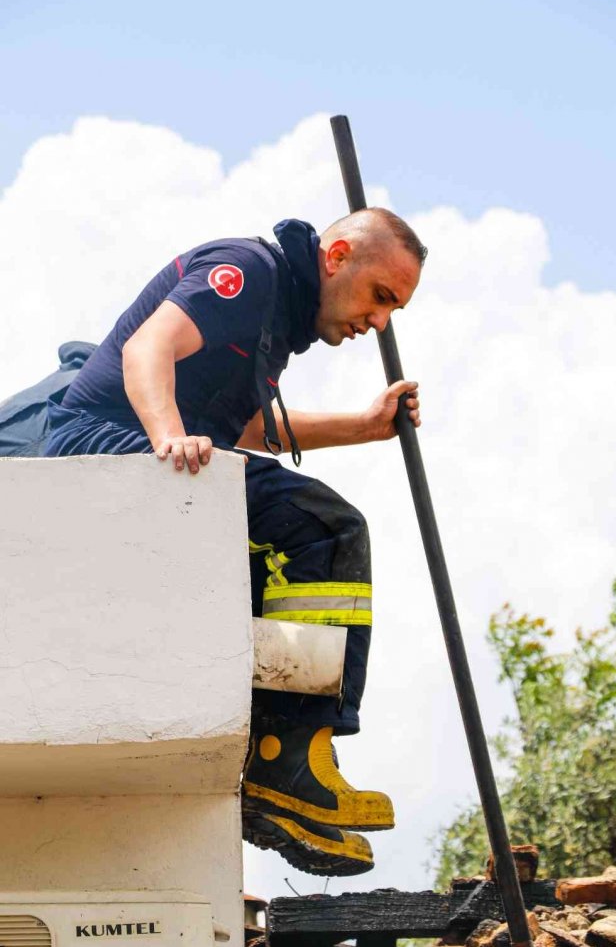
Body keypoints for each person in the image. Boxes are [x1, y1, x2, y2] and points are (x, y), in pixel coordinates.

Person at [45, 208, 426, 876]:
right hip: (102, 442)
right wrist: (168, 436)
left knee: (286, 553)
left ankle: (283, 753)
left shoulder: (278, 317)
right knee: (321, 527)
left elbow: (249, 428)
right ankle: (288, 756)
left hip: (163, 450)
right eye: (381, 296)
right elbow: (147, 349)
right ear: (337, 255)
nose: (380, 322)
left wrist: (366, 426)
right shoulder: (247, 273)